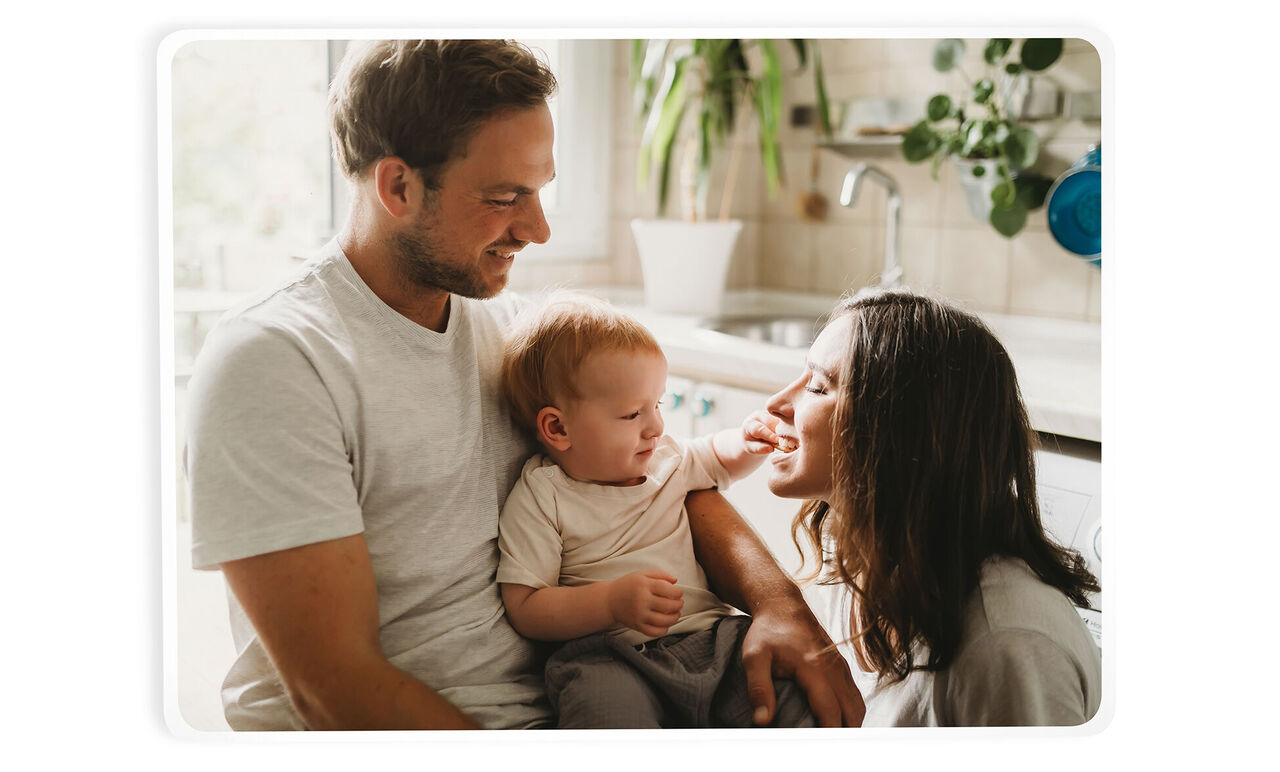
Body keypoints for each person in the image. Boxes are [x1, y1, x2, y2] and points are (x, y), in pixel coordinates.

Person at [183, 38, 862, 731]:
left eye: (541, 191)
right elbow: (336, 689)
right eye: (506, 197)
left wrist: (781, 606)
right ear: (397, 187)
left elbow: (661, 475)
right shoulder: (276, 363)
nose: (537, 229)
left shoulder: (513, 334)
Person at [757, 288, 1102, 727]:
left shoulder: (1008, 649)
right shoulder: (859, 555)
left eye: (818, 387)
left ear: (897, 434)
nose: (776, 405)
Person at [495, 292, 814, 729]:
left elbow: (717, 458)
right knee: (606, 716)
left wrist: (747, 441)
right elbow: (526, 605)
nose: (656, 426)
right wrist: (609, 603)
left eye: (657, 405)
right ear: (558, 427)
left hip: (714, 641)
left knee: (788, 696)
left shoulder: (666, 456)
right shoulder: (542, 495)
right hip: (607, 657)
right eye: (632, 414)